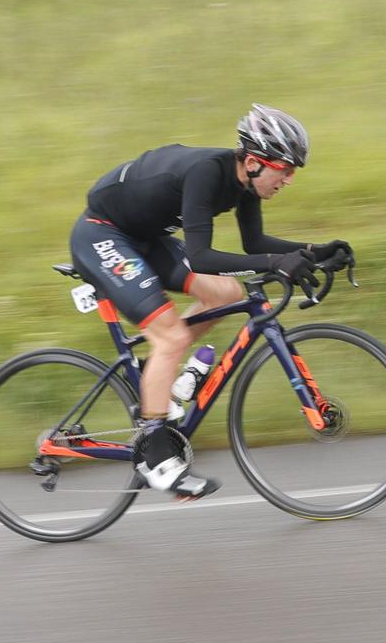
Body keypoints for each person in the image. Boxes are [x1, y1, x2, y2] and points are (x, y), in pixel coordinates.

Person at [68, 105, 352, 499]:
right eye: (284, 170)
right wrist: (277, 264)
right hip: (103, 235)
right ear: (254, 162)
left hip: (145, 238)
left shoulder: (243, 184)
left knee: (228, 292)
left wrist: (317, 252)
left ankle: (156, 378)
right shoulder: (207, 173)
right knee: (170, 337)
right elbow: (202, 257)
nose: (288, 180)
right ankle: (155, 458)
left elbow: (255, 244)